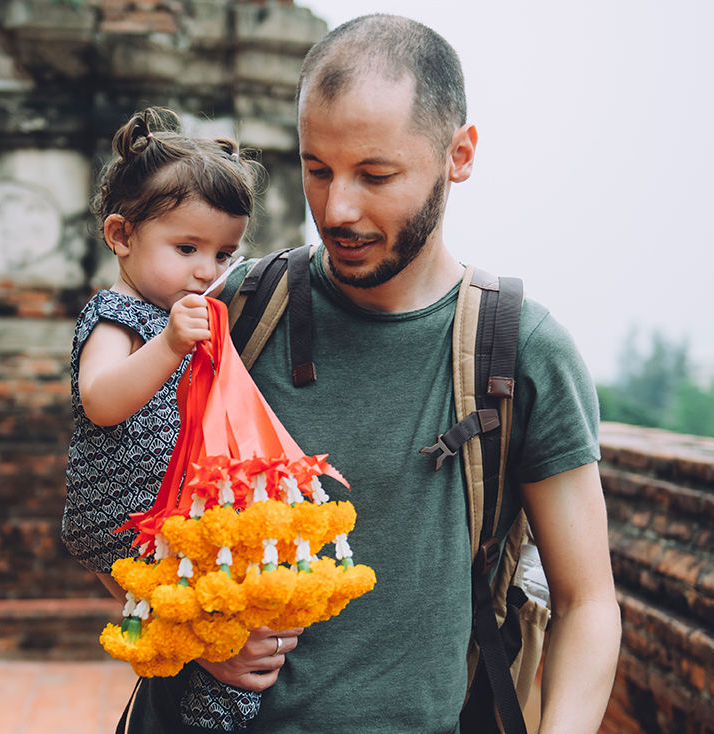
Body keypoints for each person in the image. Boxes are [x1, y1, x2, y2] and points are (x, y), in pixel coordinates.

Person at [127, 14, 621, 734]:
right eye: (316, 170)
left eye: (375, 174)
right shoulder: (237, 310)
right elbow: (112, 500)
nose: (337, 209)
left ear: (459, 154)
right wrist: (192, 632)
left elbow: (586, 602)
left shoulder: (518, 352)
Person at [62, 107, 296, 732]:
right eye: (187, 247)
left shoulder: (187, 317)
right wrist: (168, 346)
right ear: (121, 236)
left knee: (209, 661)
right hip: (118, 511)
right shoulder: (116, 313)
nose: (207, 270)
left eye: (223, 253)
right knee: (204, 645)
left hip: (158, 512)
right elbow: (101, 399)